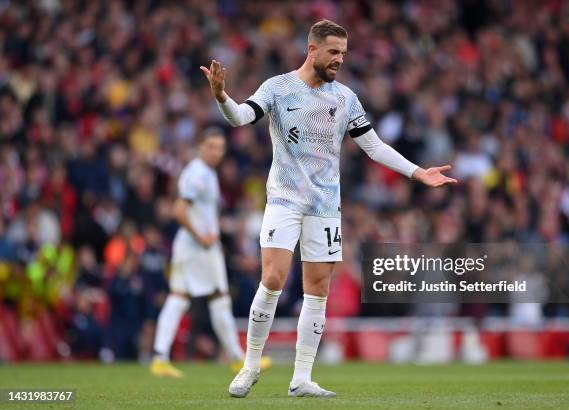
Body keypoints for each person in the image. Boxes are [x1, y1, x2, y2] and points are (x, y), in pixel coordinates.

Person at [201, 19, 457, 398]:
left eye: (343, 53)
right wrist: (222, 96)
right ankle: (249, 366)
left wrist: (418, 172)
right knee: (272, 279)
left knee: (317, 290)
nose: (339, 59)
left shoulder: (346, 98)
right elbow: (241, 117)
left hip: (325, 206)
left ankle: (301, 377)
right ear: (313, 50)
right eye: (334, 52)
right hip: (284, 200)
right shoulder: (278, 87)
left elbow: (374, 146)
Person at [150, 128, 266, 377]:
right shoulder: (197, 175)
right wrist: (201, 235)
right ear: (201, 146)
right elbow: (179, 210)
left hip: (196, 247)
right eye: (212, 146)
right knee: (209, 298)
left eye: (220, 147)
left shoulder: (206, 173)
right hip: (197, 248)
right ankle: (237, 358)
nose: (217, 152)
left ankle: (161, 357)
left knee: (188, 298)